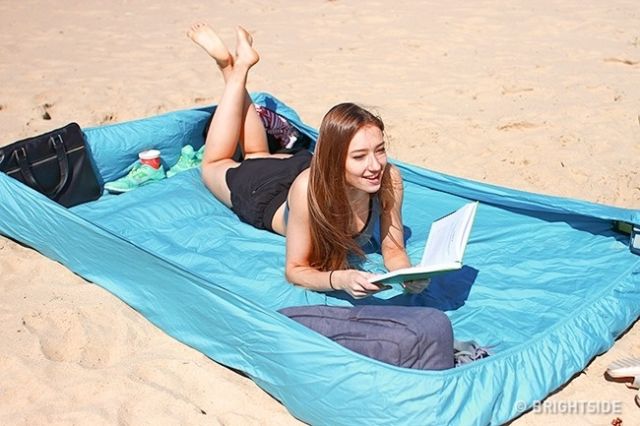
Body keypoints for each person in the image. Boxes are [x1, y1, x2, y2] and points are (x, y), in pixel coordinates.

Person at [188, 23, 456, 370]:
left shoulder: (390, 179)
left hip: (300, 167)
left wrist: (406, 274)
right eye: (360, 156)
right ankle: (232, 68)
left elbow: (392, 248)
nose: (375, 165)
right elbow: (296, 270)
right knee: (216, 163)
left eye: (380, 150)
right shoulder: (307, 192)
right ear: (334, 158)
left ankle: (236, 68)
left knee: (256, 151)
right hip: (267, 192)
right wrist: (339, 279)